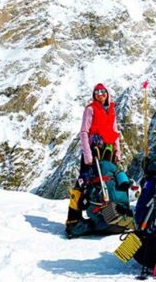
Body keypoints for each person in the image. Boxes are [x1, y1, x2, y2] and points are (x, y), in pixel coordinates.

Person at [66, 83, 122, 238]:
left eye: (103, 92)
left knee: (104, 182)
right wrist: (87, 155)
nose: (100, 94)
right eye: (97, 92)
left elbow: (114, 130)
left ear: (107, 93)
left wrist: (118, 151)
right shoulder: (90, 109)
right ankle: (73, 219)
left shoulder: (111, 109)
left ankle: (104, 217)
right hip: (93, 151)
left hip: (107, 152)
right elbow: (84, 132)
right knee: (83, 183)